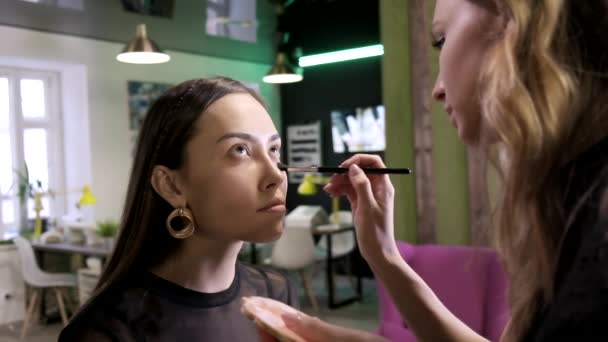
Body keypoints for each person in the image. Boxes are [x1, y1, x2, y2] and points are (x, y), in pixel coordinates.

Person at [247, 0, 608, 341]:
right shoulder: (567, 200)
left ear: (510, 17)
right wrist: (384, 254)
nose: (436, 89)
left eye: (441, 39)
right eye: (241, 151)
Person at [59, 77, 297, 341]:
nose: (275, 174)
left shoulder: (274, 293)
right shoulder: (106, 331)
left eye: (274, 149)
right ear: (171, 186)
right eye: (239, 150)